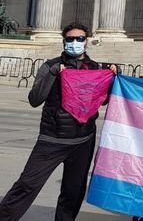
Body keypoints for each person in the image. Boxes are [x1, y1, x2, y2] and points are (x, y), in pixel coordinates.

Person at [0, 22, 116, 221]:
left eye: (79, 39)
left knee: (73, 192)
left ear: (86, 41)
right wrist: (53, 74)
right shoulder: (50, 66)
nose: (75, 42)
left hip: (83, 140)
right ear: (64, 41)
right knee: (27, 185)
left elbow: (103, 100)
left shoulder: (95, 68)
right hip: (52, 139)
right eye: (70, 39)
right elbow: (34, 99)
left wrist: (113, 77)